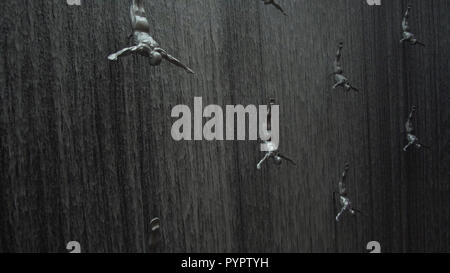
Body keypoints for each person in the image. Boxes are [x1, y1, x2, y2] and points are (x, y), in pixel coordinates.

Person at [108, 0, 195, 74]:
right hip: (137, 26)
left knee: (140, 7)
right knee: (134, 4)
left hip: (146, 28)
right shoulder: (143, 48)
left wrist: (185, 68)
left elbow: (171, 59)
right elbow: (129, 50)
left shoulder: (159, 50)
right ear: (151, 57)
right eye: (152, 63)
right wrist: (116, 55)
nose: (152, 65)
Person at [257, 99, 295, 170]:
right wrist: (291, 161)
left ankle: (271, 105)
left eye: (278, 160)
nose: (279, 158)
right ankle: (271, 106)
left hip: (266, 135)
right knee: (268, 119)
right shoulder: (277, 153)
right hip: (269, 134)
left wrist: (259, 163)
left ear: (275, 160)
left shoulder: (270, 154)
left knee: (268, 119)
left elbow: (264, 159)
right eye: (280, 159)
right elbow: (285, 157)